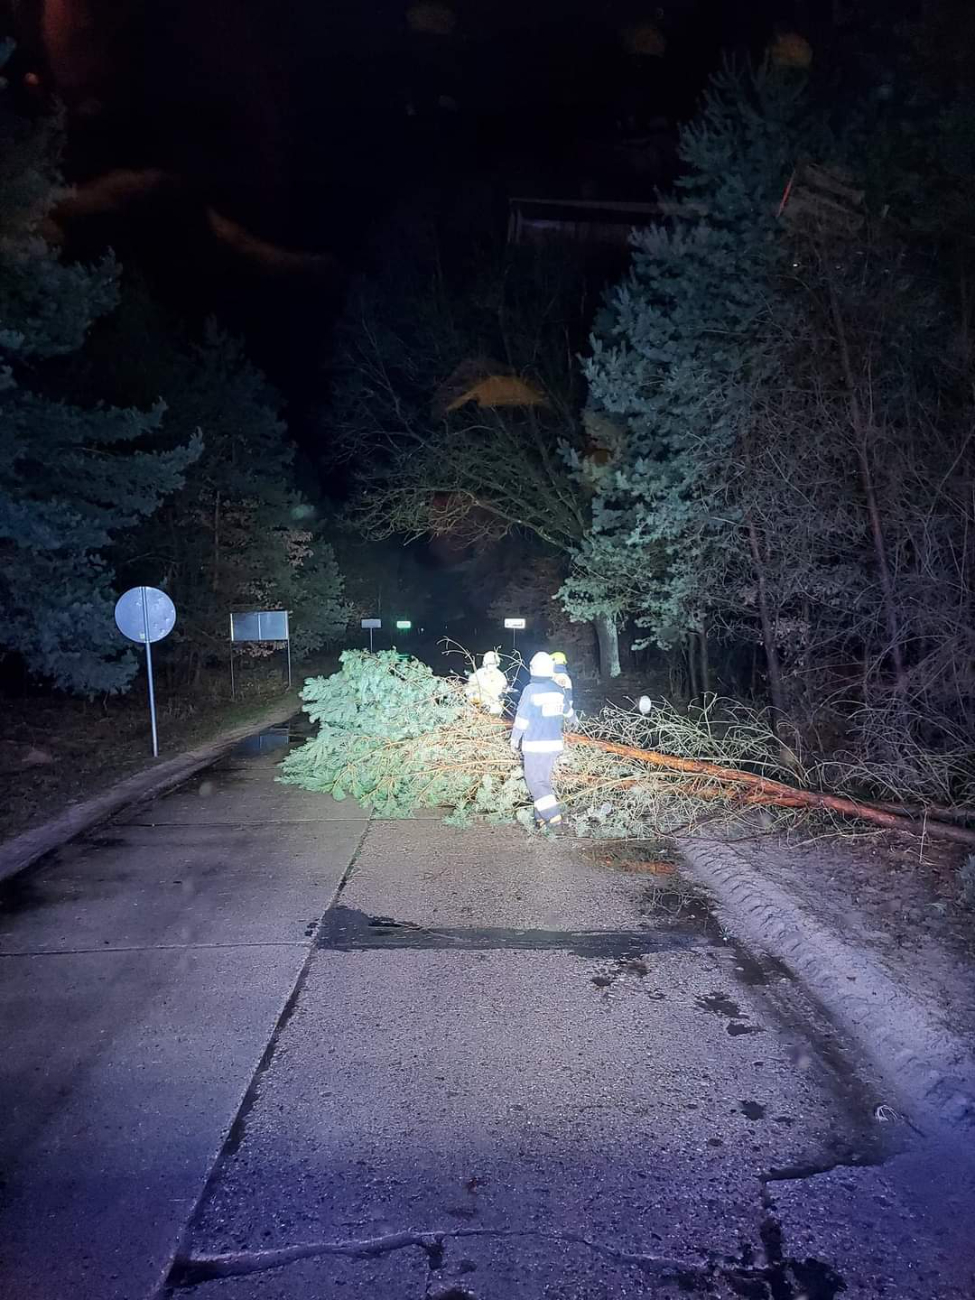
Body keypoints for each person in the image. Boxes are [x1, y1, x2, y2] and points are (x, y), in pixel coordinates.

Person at [510, 651, 576, 828]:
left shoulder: (530, 690)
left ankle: (553, 817)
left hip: (535, 744)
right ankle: (540, 818)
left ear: (533, 669)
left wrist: (515, 739)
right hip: (554, 744)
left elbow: (522, 718)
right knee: (543, 781)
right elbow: (569, 712)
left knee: (534, 782)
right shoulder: (557, 689)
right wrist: (574, 722)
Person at [465, 650, 509, 715]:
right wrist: (478, 703)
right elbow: (469, 692)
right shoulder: (477, 675)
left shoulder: (500, 677)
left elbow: (503, 693)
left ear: (497, 664)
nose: (491, 666)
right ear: (485, 663)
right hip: (477, 710)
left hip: (494, 711)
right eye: (490, 664)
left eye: (494, 664)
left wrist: (498, 699)